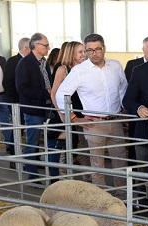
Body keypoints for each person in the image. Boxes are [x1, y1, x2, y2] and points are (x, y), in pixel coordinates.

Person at [55, 33, 128, 188]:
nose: (94, 53)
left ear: (104, 49)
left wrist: (123, 108)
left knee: (121, 163)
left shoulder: (115, 66)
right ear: (86, 51)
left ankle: (123, 200)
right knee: (97, 166)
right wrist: (74, 118)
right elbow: (61, 93)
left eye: (97, 49)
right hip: (93, 123)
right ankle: (100, 203)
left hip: (116, 121)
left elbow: (123, 87)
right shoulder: (79, 71)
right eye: (89, 50)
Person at [15, 32, 54, 180]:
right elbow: (22, 88)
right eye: (45, 45)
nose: (48, 47)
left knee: (43, 139)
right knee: (32, 141)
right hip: (33, 109)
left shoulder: (43, 62)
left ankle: (43, 168)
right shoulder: (25, 63)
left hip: (46, 107)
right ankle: (31, 174)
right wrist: (46, 93)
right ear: (36, 45)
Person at [50, 41, 86, 175]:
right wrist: (62, 115)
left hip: (79, 114)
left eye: (84, 51)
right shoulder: (63, 69)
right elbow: (54, 93)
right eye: (80, 52)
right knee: (65, 147)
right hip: (65, 114)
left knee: (78, 146)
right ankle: (60, 180)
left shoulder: (84, 68)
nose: (84, 54)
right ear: (72, 53)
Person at [3, 37, 30, 105]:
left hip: (29, 100)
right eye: (32, 47)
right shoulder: (12, 61)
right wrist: (14, 101)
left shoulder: (30, 60)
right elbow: (8, 82)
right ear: (26, 48)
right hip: (17, 101)